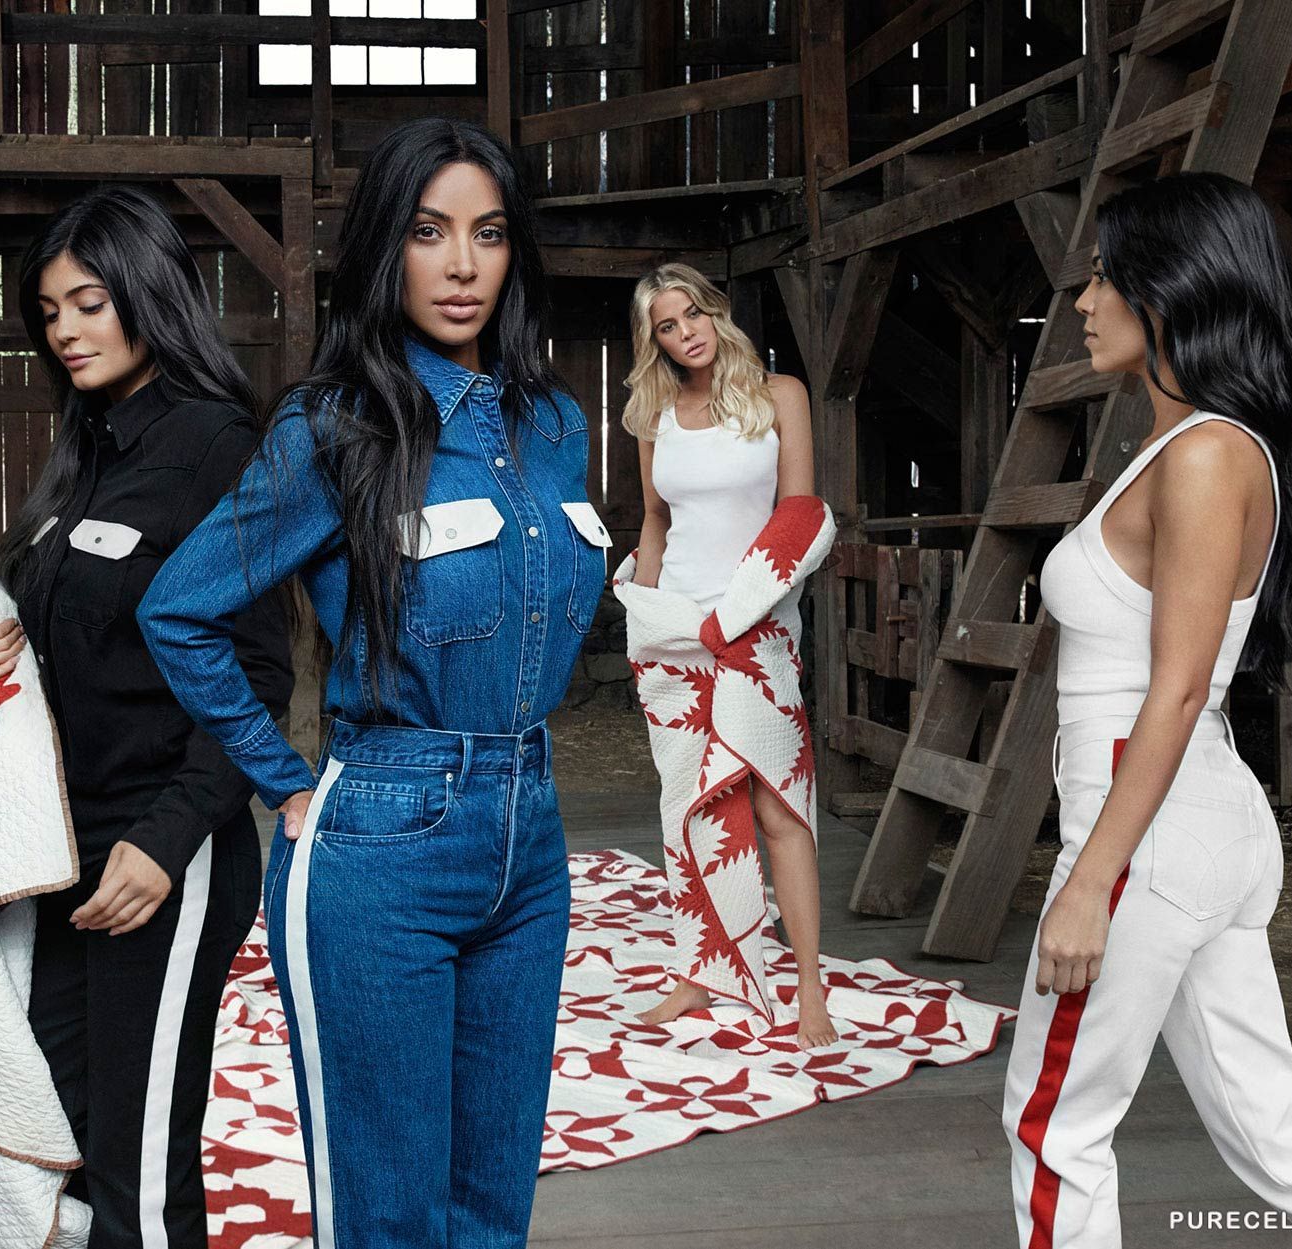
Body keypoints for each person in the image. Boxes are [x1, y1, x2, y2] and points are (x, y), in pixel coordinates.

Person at [138, 118, 605, 1248]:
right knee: (390, 1221)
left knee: (491, 1214)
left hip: (530, 839)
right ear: (387, 248)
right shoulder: (336, 424)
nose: (461, 265)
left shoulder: (554, 425)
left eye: (488, 234)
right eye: (429, 232)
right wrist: (283, 778)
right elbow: (179, 608)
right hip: (380, 845)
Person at [1001, 172, 1292, 1248]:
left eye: (1105, 277)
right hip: (1191, 815)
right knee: (1276, 1140)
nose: (1084, 300)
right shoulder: (1192, 442)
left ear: (1171, 289)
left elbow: (1182, 683)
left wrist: (1088, 884)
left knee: (1055, 1130)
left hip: (1144, 823)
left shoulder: (1204, 454)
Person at [0, 185, 294, 1249]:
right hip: (58, 852)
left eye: (89, 303)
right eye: (50, 311)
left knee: (139, 1163)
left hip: (161, 853)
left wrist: (167, 838)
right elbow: (46, 633)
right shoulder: (83, 451)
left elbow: (259, 672)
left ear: (149, 293)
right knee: (57, 1128)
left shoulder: (218, 448)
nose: (66, 330)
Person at [614, 263, 836, 1043]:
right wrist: (644, 618)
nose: (687, 333)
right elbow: (655, 520)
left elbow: (799, 513)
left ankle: (809, 986)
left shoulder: (781, 396)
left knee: (779, 805)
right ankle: (699, 974)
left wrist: (745, 608)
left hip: (755, 627)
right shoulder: (653, 414)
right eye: (667, 326)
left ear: (716, 311)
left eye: (693, 314)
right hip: (677, 630)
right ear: (654, 341)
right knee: (690, 805)